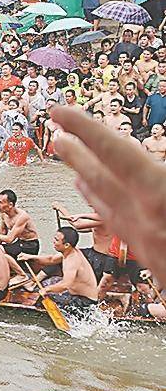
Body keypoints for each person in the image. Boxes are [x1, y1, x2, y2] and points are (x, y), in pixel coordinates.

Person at [51, 104, 166, 286]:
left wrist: (62, 209)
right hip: (115, 253)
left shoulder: (108, 214)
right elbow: (83, 227)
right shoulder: (112, 213)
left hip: (105, 256)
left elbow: (79, 225)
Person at [17, 227, 99, 319]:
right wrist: (30, 257)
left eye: (56, 240)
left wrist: (46, 290)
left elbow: (65, 285)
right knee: (46, 286)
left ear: (67, 245)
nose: (53, 242)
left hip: (84, 302)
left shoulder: (72, 261)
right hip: (74, 293)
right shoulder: (68, 252)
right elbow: (51, 259)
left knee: (45, 295)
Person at [0, 189, 39, 268]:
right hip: (19, 242)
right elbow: (3, 231)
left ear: (10, 205)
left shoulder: (22, 216)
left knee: (0, 249)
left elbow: (10, 239)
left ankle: (21, 275)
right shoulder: (4, 214)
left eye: (1, 203)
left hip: (30, 245)